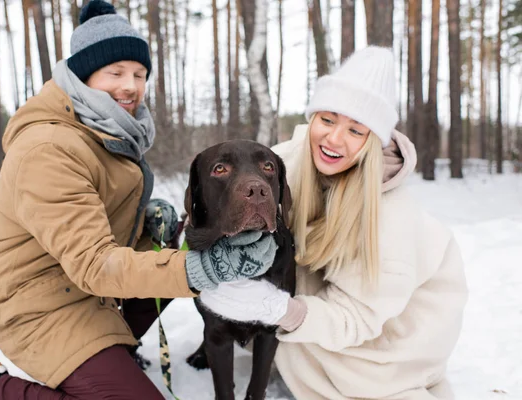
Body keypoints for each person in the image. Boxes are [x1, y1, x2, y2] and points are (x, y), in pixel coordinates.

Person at [0, 1, 278, 399]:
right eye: (114, 73)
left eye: (139, 73)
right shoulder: (49, 147)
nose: (130, 85)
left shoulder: (110, 134)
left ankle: (112, 353)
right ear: (82, 77)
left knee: (170, 250)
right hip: (37, 306)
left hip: (84, 293)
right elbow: (95, 262)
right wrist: (208, 268)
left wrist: (146, 223)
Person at [198, 46, 469, 399]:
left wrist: (281, 309)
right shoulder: (283, 161)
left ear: (374, 141)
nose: (334, 139)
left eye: (356, 130)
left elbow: (359, 316)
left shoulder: (392, 215)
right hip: (325, 307)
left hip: (389, 339)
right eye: (327, 120)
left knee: (321, 364)